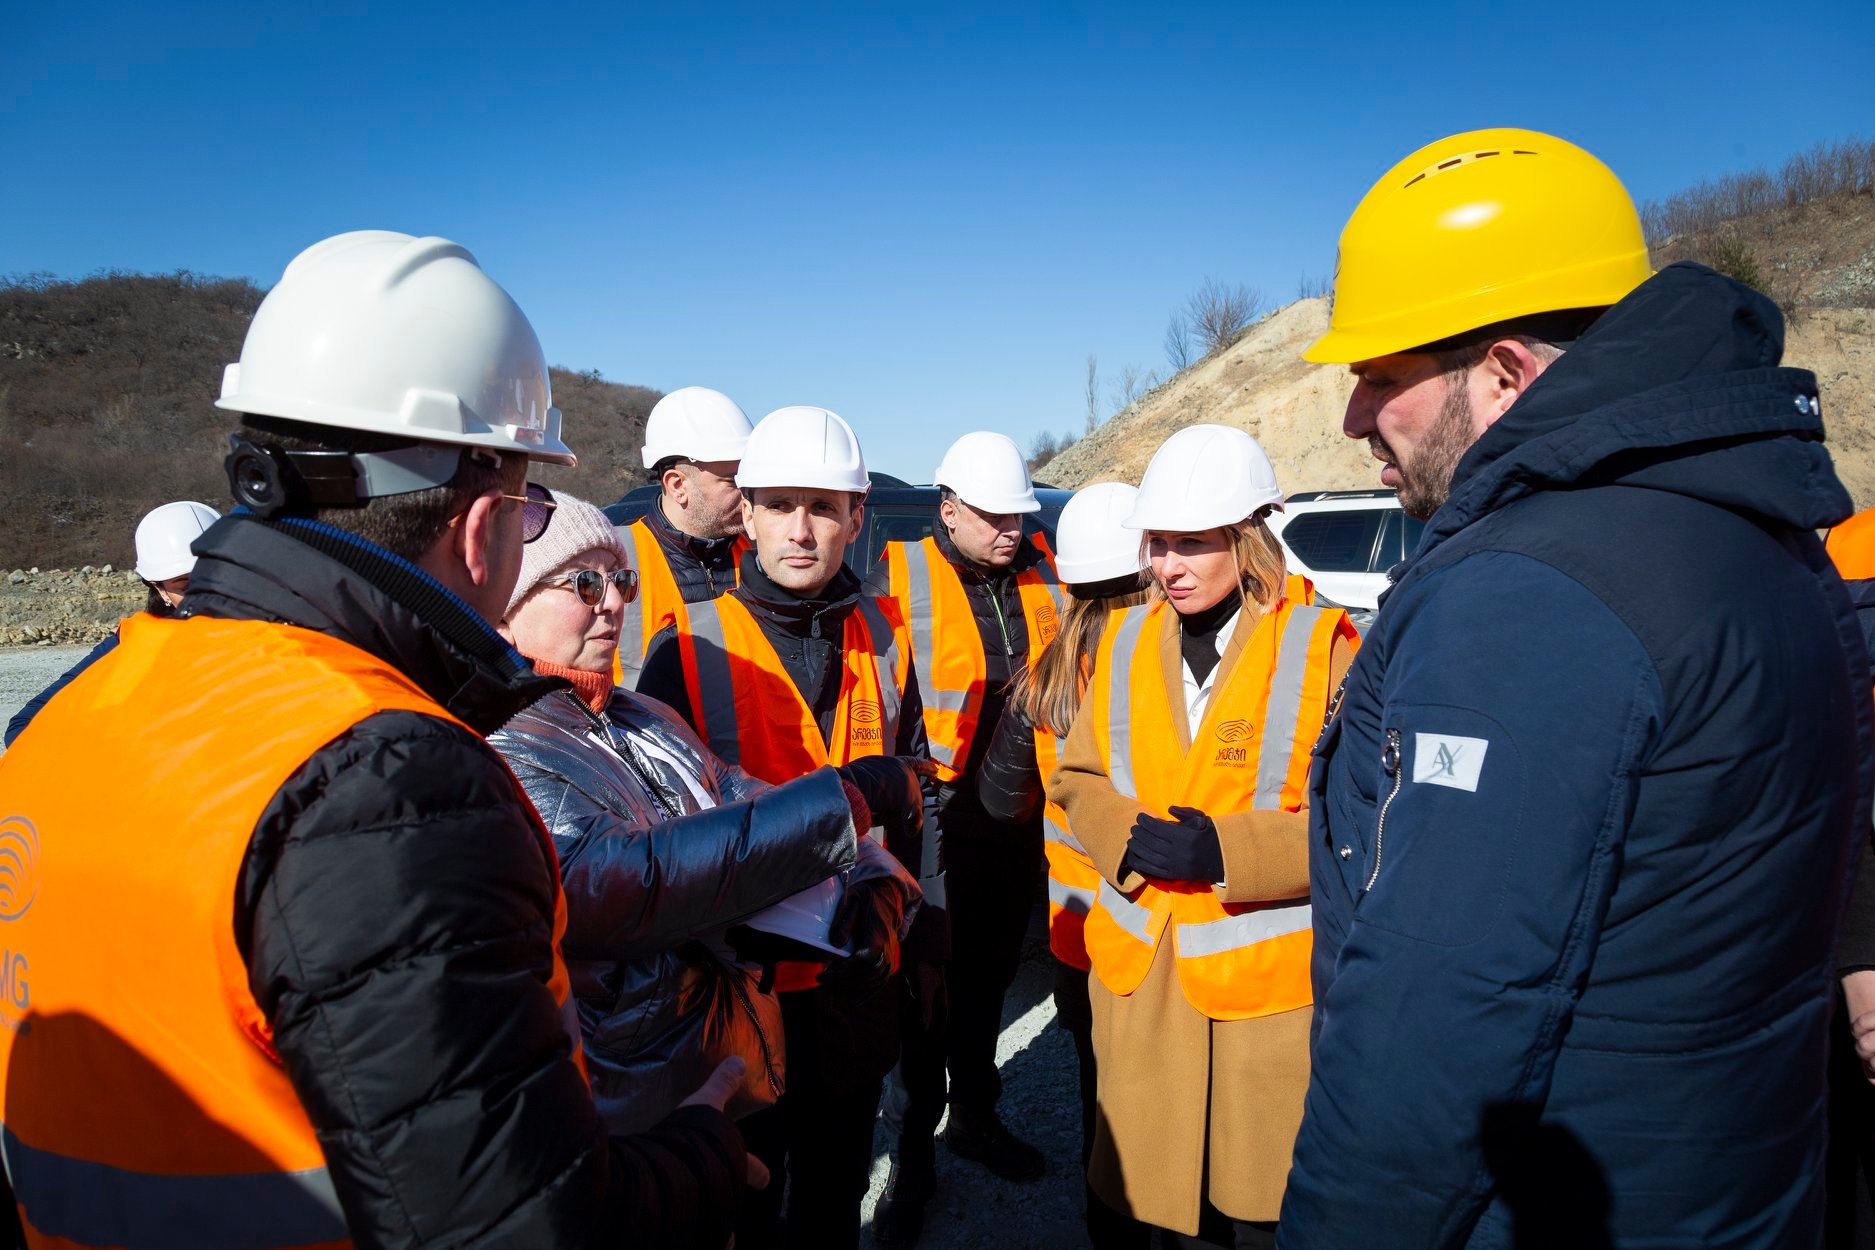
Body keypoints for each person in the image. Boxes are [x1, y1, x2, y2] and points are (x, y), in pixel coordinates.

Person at [0, 230, 758, 1248]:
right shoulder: (386, 778)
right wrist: (702, 1154)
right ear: (484, 526)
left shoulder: (73, 710)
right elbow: (516, 1227)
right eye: (530, 510)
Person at [1280, 129, 1873, 1249]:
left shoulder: (1528, 594)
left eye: (1383, 377)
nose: (1355, 417)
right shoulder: (1759, 532)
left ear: (1504, 374)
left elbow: (1435, 1021)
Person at [489, 486, 921, 1138]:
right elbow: (626, 883)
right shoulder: (499, 743)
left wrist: (875, 879)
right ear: (503, 610)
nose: (613, 603)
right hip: (622, 1108)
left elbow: (745, 800)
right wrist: (850, 796)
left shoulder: (640, 716)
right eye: (583, 584)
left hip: (718, 1059)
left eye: (620, 581)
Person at [1046, 425, 1357, 1248]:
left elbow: (1360, 820)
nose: (1167, 566)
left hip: (1263, 997)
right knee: (1155, 1211)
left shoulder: (1321, 647)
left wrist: (1227, 853)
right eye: (1157, 544)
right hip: (1144, 983)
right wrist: (1125, 835)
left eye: (1190, 544)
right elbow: (1076, 776)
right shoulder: (1123, 642)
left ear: (1246, 538)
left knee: (1254, 1216)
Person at [638, 405, 937, 1250]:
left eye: (822, 508)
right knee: (745, 1209)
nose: (800, 531)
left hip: (855, 981)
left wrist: (911, 924)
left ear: (856, 519)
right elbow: (654, 844)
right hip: (737, 994)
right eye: (778, 505)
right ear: (747, 513)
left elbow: (918, 797)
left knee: (834, 1196)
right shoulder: (687, 650)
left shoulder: (885, 638)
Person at [867, 430, 1061, 1242]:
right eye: (992, 516)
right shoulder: (899, 576)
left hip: (1016, 819)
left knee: (986, 982)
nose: (1010, 530)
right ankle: (912, 1160)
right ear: (947, 510)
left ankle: (976, 1118)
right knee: (926, 996)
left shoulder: (1045, 571)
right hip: (935, 821)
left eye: (1017, 514)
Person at [974, 481, 1153, 1249]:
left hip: (1081, 937)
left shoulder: (1045, 676)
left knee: (1100, 1106)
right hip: (1168, 937)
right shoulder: (1175, 668)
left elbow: (998, 801)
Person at [3, 500, 218, 746]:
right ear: (160, 590)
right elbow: (24, 729)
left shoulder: (256, 633)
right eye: (187, 586)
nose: (210, 595)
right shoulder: (131, 646)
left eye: (218, 577)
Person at [613, 386, 753, 688]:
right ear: (678, 485)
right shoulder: (613, 558)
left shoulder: (759, 556)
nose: (748, 496)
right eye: (733, 481)